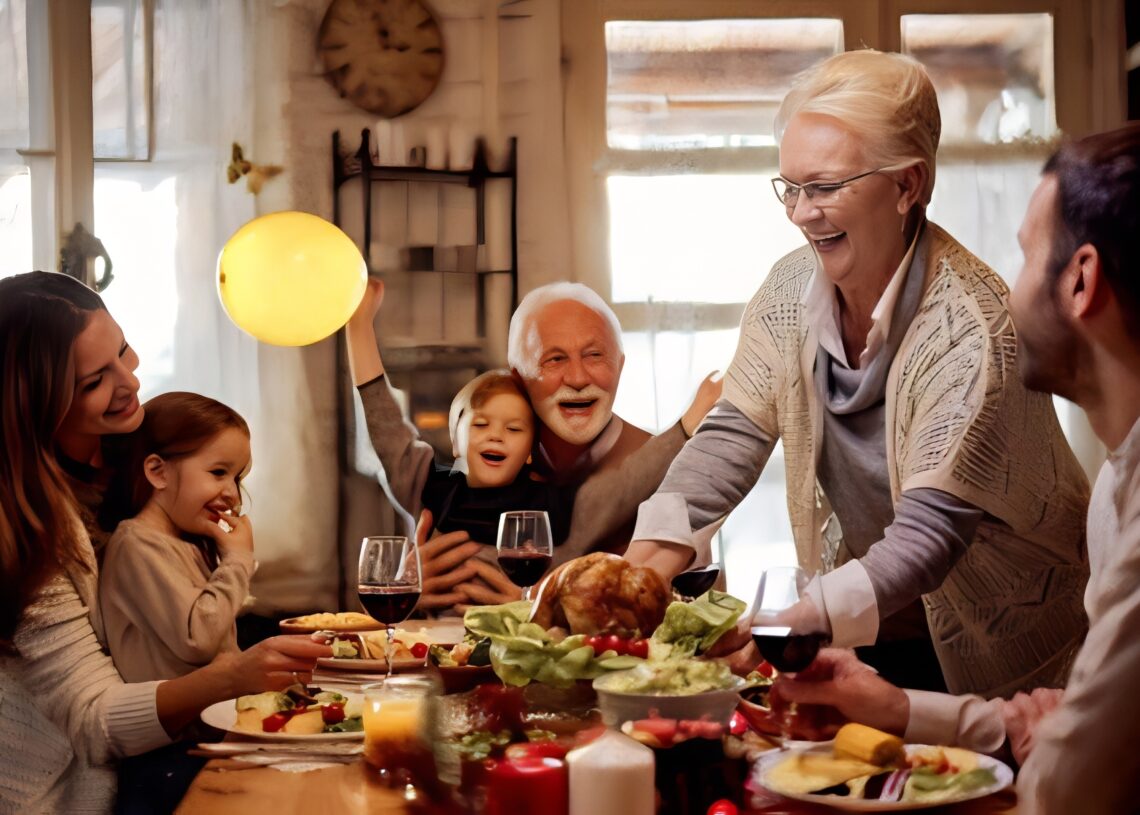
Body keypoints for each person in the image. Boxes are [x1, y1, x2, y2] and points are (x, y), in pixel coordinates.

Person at [625, 50, 1089, 696]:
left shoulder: (972, 330)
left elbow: (929, 536)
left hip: (1011, 651)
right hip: (875, 627)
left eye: (824, 187)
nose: (800, 212)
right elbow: (733, 434)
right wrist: (635, 573)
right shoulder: (790, 289)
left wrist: (788, 625)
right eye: (790, 188)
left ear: (907, 186)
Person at [771, 122, 1140, 815]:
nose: (1001, 290)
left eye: (1026, 255)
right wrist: (894, 707)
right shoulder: (1119, 485)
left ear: (1081, 281)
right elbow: (1077, 725)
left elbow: (1071, 786)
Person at [0, 271, 329, 813]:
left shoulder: (133, 455)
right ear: (38, 403)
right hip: (69, 792)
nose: (129, 383)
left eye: (123, 351)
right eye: (94, 381)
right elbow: (95, 719)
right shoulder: (27, 531)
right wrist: (230, 677)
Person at [346, 278, 721, 612]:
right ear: (519, 376)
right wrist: (409, 593)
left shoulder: (674, 476)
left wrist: (543, 611)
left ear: (620, 366)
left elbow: (698, 621)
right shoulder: (457, 480)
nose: (577, 377)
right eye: (553, 359)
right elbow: (389, 436)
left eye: (595, 355)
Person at [99, 392, 256, 683]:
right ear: (158, 472)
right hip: (187, 714)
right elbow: (197, 640)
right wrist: (237, 560)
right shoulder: (137, 543)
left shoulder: (187, 543)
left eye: (236, 479)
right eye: (218, 472)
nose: (233, 495)